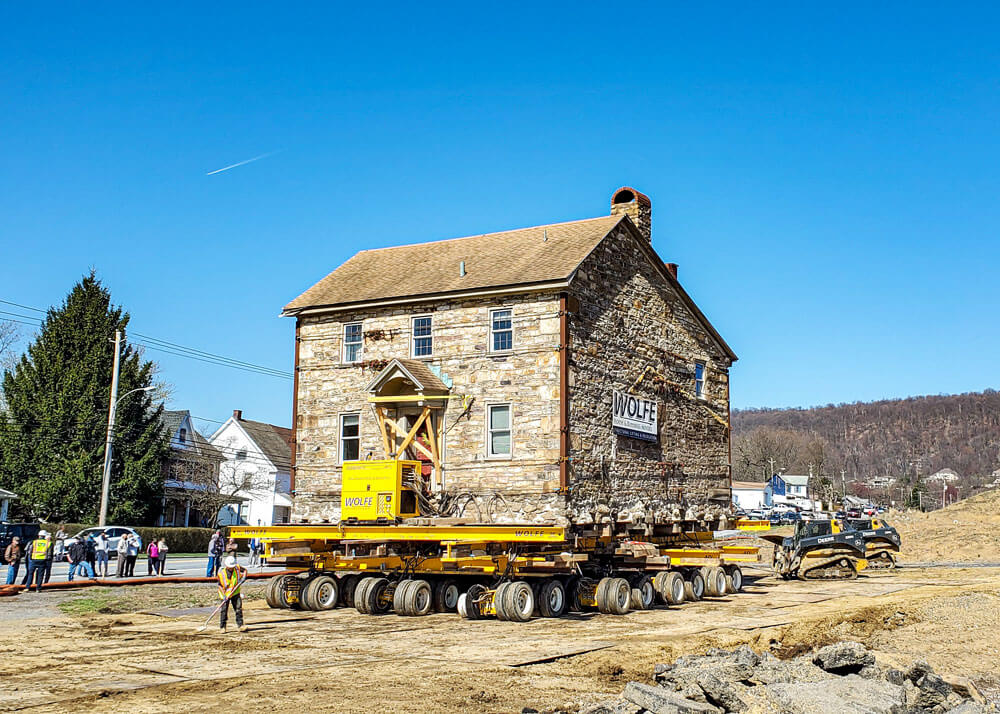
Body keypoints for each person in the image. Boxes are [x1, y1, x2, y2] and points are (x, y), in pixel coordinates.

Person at [217, 555, 247, 632]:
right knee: (224, 610)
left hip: (235, 592)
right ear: (226, 565)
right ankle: (222, 627)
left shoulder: (237, 568)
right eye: (230, 567)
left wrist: (244, 577)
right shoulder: (221, 574)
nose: (231, 568)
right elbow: (220, 586)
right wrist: (224, 596)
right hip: (225, 594)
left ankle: (240, 625)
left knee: (238, 608)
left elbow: (245, 570)